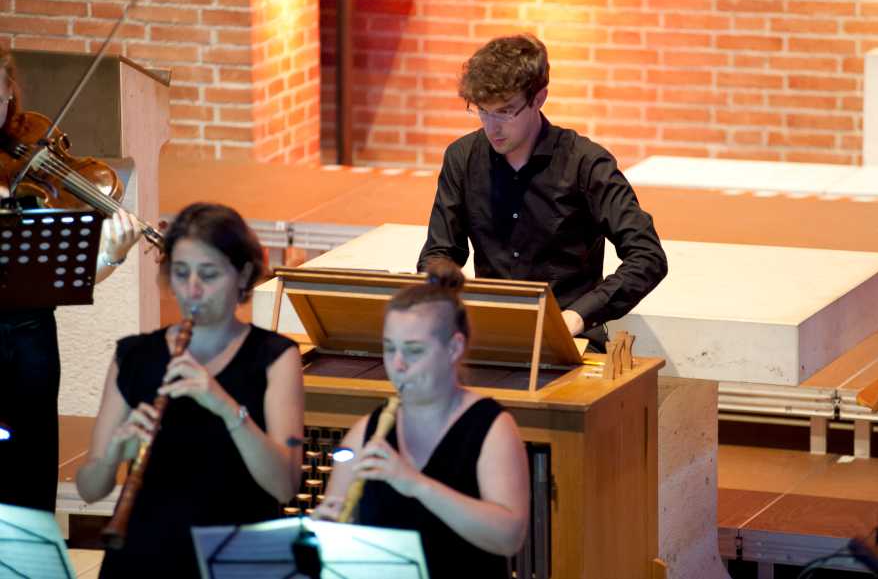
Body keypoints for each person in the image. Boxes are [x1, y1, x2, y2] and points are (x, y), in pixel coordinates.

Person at [76, 203, 304, 578]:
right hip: (143, 556)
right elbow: (89, 489)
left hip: (234, 559)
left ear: (244, 274)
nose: (192, 289)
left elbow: (284, 486)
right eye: (181, 273)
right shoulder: (134, 355)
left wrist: (225, 405)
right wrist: (113, 454)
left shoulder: (275, 357)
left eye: (209, 274)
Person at [418, 33, 668, 351]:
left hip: (570, 339)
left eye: (505, 111)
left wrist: (577, 316)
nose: (492, 126)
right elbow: (439, 252)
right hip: (491, 336)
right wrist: (442, 286)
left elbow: (647, 257)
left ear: (539, 98)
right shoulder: (462, 157)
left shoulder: (586, 163)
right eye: (483, 110)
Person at [314, 259, 530, 579]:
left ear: (454, 348)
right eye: (390, 349)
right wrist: (327, 532)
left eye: (414, 350)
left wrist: (415, 483)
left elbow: (509, 537)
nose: (398, 364)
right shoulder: (366, 432)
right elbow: (339, 538)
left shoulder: (492, 427)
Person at [0, 46, 143, 512]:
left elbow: (60, 277)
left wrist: (111, 255)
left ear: (9, 94)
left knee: (31, 470)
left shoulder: (28, 160)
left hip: (30, 340)